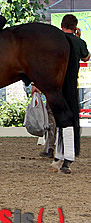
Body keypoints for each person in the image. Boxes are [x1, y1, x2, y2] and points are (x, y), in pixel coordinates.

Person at [32, 13, 90, 160]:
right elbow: (86, 57)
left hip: (54, 87)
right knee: (69, 120)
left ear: (61, 26)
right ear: (75, 27)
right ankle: (66, 153)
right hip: (71, 85)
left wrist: (36, 83)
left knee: (52, 117)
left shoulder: (54, 42)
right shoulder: (78, 42)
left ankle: (51, 147)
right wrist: (78, 38)